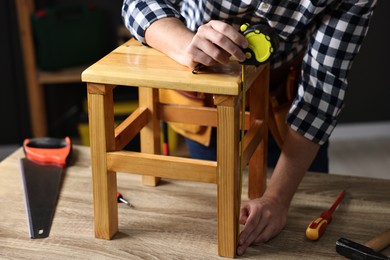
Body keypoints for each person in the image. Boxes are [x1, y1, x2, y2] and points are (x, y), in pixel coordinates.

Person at [122, 0, 377, 255]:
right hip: (207, 102)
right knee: (212, 215)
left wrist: (277, 199)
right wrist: (184, 44)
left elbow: (322, 89)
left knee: (307, 207)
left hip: (287, 111)